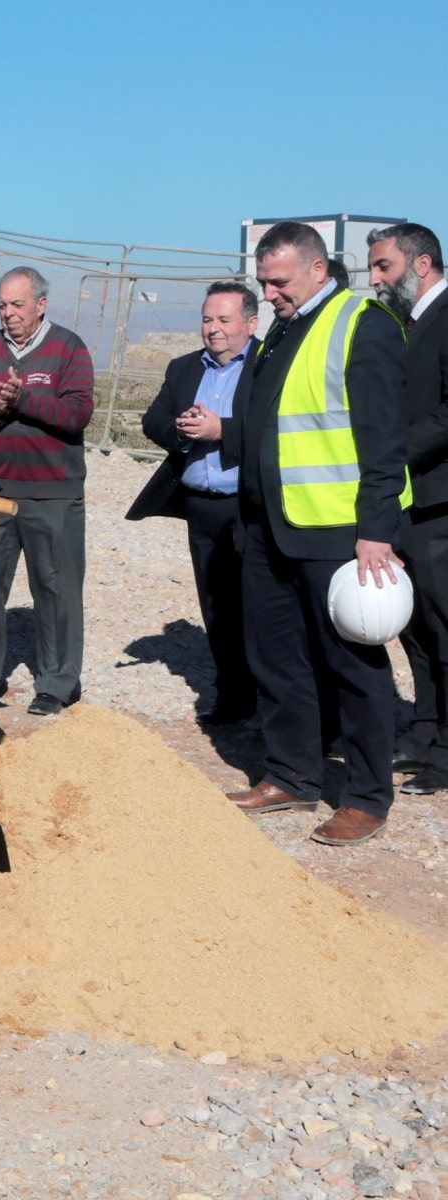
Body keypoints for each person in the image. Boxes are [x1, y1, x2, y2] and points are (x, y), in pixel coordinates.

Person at [224, 221, 410, 846]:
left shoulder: (363, 323)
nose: (268, 292)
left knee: (351, 667)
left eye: (279, 281)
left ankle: (366, 796)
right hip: (270, 527)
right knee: (276, 658)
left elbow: (385, 436)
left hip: (337, 531)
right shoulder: (284, 326)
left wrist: (376, 530)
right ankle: (291, 775)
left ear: (318, 268)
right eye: (263, 281)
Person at [0, 266, 96, 716]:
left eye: (18, 304)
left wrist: (22, 400)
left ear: (41, 305)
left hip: (53, 491)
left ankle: (56, 683)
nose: (9, 313)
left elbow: (77, 413)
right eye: (2, 305)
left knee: (55, 588)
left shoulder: (68, 347)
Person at [125, 282, 261, 725]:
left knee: (261, 605)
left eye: (224, 319)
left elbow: (275, 428)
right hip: (201, 507)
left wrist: (223, 431)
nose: (213, 328)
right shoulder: (183, 368)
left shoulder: (268, 365)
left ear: (251, 323)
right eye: (207, 319)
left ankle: (278, 699)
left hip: (250, 505)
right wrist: (182, 430)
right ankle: (234, 697)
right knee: (216, 606)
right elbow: (154, 419)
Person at [367, 222, 448, 795]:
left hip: (439, 496)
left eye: (384, 266)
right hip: (406, 495)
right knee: (415, 624)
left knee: (444, 623)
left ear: (421, 264)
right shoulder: (404, 322)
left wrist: (392, 453)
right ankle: (423, 730)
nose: (375, 279)